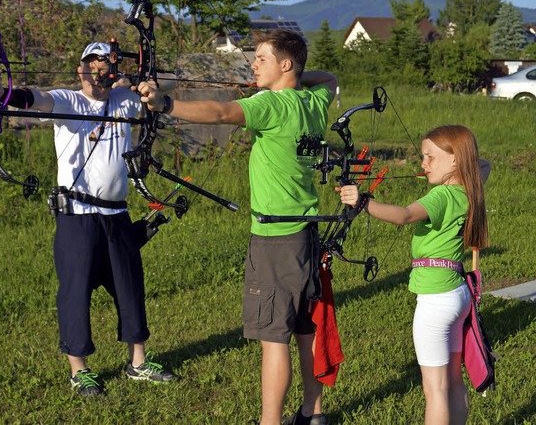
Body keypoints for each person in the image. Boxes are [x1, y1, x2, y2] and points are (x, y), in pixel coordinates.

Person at [139, 29, 338, 425]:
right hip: (305, 234)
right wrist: (296, 76)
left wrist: (164, 103)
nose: (253, 64)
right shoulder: (313, 102)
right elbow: (328, 78)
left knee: (273, 340)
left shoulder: (271, 105)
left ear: (284, 65)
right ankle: (313, 413)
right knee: (304, 328)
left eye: (261, 58)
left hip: (274, 240)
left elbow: (220, 112)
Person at [0, 42, 177, 397]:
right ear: (80, 69)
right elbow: (35, 98)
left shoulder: (126, 101)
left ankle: (138, 362)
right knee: (75, 291)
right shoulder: (69, 101)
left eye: (105, 65)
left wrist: (148, 87)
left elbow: (166, 94)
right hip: (77, 215)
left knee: (129, 287)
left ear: (113, 71)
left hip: (117, 213)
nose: (97, 71)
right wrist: (1, 91)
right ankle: (79, 369)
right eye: (91, 64)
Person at [338, 125, 489, 425]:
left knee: (434, 390)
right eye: (423, 157)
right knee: (453, 382)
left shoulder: (442, 196)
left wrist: (363, 202)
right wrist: (462, 164)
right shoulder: (468, 190)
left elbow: (404, 216)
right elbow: (484, 165)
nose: (423, 164)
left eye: (431, 157)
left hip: (435, 302)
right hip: (457, 295)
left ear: (456, 160)